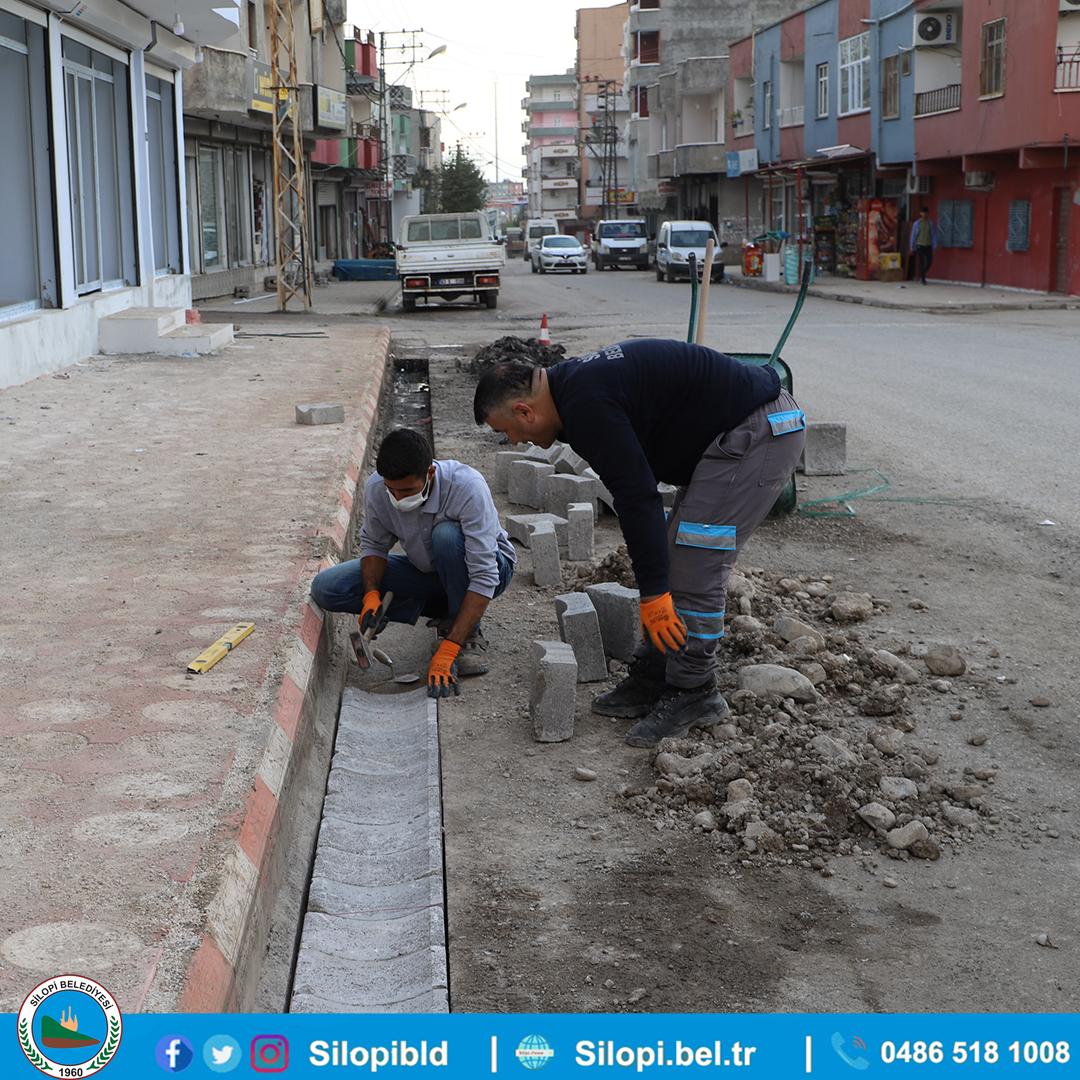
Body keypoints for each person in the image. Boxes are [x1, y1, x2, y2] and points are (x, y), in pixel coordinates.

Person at [473, 340, 806, 748]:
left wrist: (653, 593)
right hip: (733, 433)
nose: (512, 442)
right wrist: (654, 588)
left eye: (505, 430)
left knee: (694, 561)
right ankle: (657, 672)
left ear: (525, 410)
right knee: (671, 550)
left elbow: (638, 497)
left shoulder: (585, 403)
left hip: (761, 431)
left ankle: (695, 691)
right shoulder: (572, 389)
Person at [309, 427, 516, 698]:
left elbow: (485, 575)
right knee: (327, 587)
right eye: (391, 490)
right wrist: (371, 595)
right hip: (429, 572)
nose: (398, 499)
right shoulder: (376, 487)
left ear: (430, 473)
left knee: (445, 537)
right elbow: (374, 545)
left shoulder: (467, 488)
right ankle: (446, 610)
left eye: (407, 490)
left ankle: (466, 635)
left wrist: (450, 647)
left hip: (489, 569)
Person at [909, 206, 937, 285]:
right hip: (919, 245)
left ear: (928, 213)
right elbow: (913, 236)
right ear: (920, 213)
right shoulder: (917, 224)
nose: (924, 214)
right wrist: (912, 247)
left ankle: (922, 273)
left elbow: (933, 235)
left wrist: (935, 246)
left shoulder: (930, 223)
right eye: (922, 213)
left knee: (929, 262)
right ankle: (923, 279)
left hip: (928, 244)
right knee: (922, 261)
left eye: (925, 213)